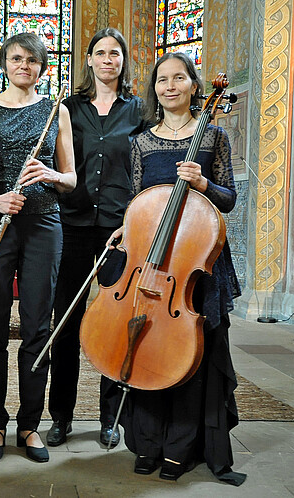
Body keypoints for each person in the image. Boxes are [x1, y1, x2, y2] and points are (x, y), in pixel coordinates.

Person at [109, 52, 246, 486]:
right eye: (161, 80)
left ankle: (183, 448)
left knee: (192, 354)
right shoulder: (141, 142)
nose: (169, 86)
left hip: (195, 263)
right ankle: (148, 443)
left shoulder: (213, 137)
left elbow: (228, 199)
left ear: (193, 85)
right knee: (147, 348)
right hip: (150, 261)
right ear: (154, 88)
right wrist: (123, 232)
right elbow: (136, 204)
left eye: (179, 78)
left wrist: (204, 183)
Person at [0, 32, 76, 464]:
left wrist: (48, 174)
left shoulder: (57, 110)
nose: (23, 66)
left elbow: (71, 180)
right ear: (4, 63)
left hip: (44, 225)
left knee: (37, 328)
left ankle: (30, 424)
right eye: (15, 58)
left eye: (32, 60)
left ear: (42, 67)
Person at [47, 27, 149, 449]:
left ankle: (112, 419)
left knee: (116, 322)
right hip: (71, 225)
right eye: (100, 53)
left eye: (116, 53)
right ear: (87, 59)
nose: (108, 59)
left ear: (123, 61)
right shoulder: (68, 108)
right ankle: (61, 416)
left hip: (120, 230)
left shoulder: (140, 110)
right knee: (65, 322)